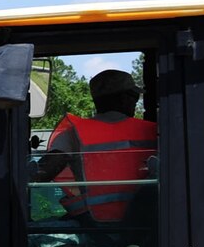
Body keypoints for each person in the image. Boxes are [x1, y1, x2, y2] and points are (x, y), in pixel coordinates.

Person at [36, 69, 158, 223]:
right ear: (123, 98)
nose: (135, 101)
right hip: (148, 226)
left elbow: (42, 173)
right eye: (134, 96)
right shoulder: (155, 131)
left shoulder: (74, 134)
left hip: (94, 227)